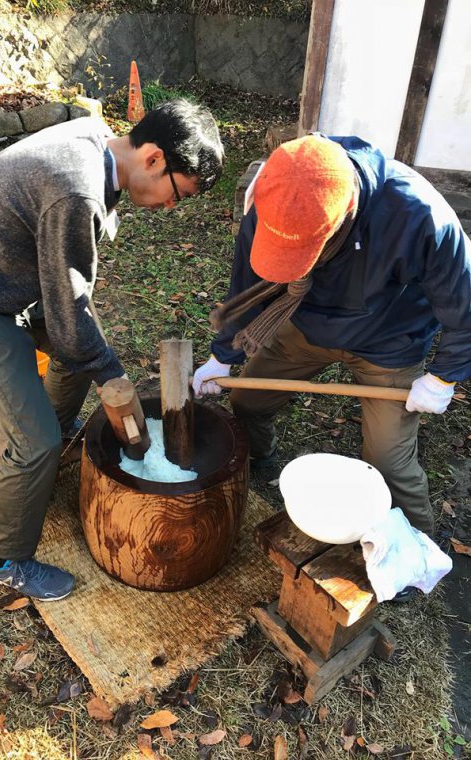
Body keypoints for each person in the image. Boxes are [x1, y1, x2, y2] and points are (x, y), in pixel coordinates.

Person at [0, 99, 224, 601]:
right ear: (153, 159)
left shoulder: (97, 141)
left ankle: (57, 425)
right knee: (34, 440)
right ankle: (6, 559)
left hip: (9, 278)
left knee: (83, 349)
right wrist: (110, 373)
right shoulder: (75, 189)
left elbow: (70, 309)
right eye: (177, 194)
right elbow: (69, 306)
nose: (171, 207)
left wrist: (96, 360)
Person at [193, 134, 470, 550]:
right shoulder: (272, 199)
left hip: (389, 343)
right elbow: (246, 286)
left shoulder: (419, 216)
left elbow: (465, 309)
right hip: (305, 327)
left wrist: (443, 378)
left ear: (345, 217)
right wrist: (223, 355)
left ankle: (413, 550)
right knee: (248, 402)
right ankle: (260, 459)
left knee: (388, 462)